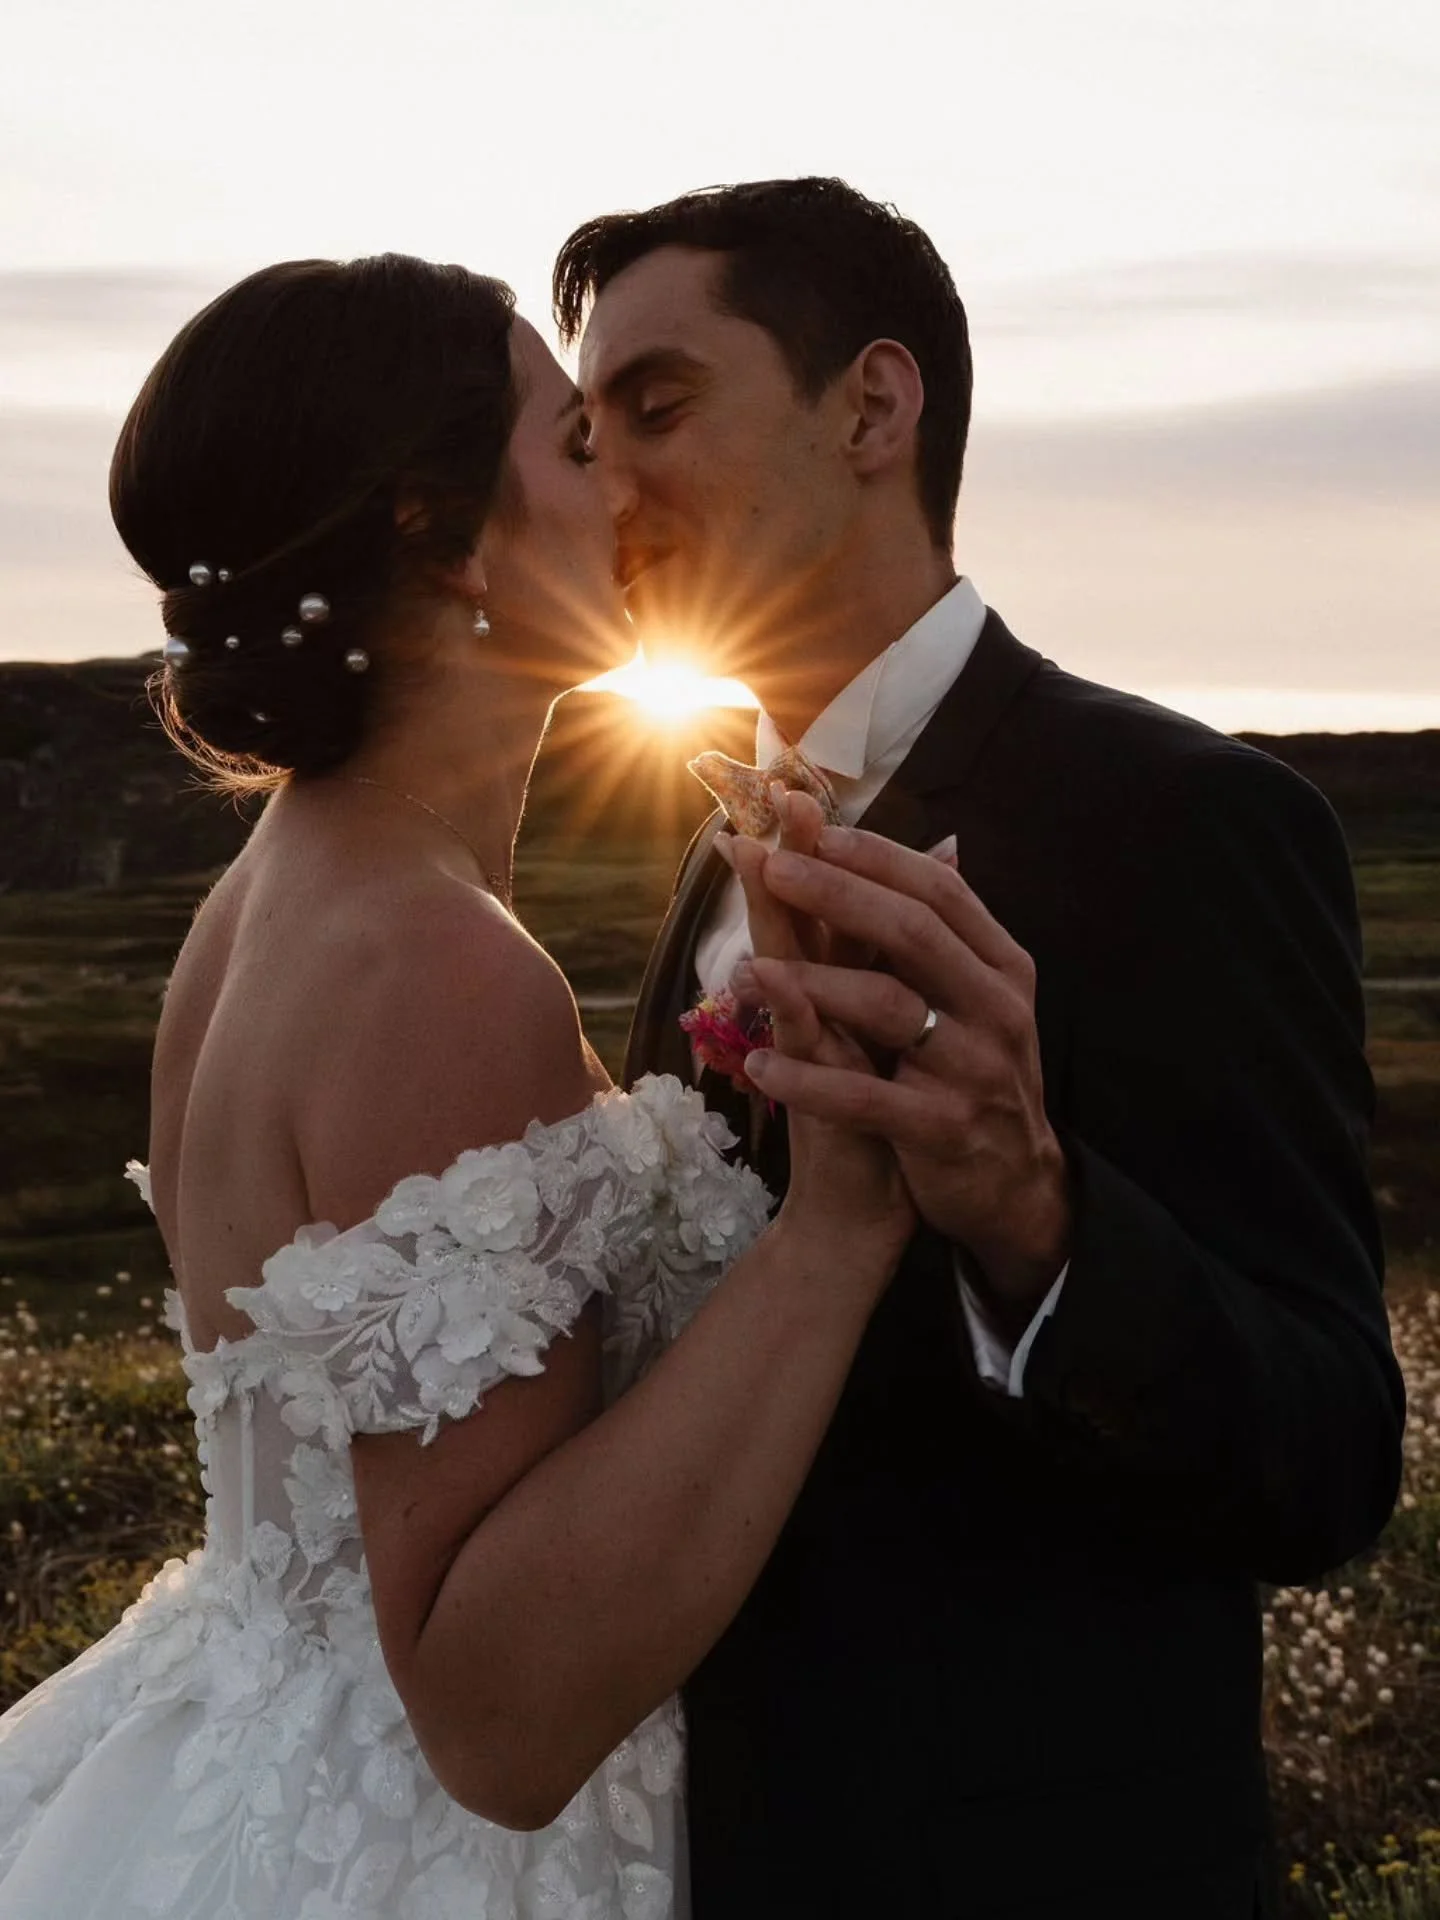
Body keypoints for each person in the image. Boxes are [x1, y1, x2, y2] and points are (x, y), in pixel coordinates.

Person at [0, 253, 915, 1920]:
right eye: (578, 444)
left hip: (251, 1750)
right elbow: (494, 1715)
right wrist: (840, 1223)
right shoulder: (440, 968)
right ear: (447, 534)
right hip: (438, 1852)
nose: (630, 481)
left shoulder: (261, 904)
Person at [558, 177, 1407, 1919]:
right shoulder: (710, 839)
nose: (605, 486)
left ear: (873, 404)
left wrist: (1034, 1213)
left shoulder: (1191, 823)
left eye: (656, 406)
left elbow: (1329, 1461)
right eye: (580, 432)